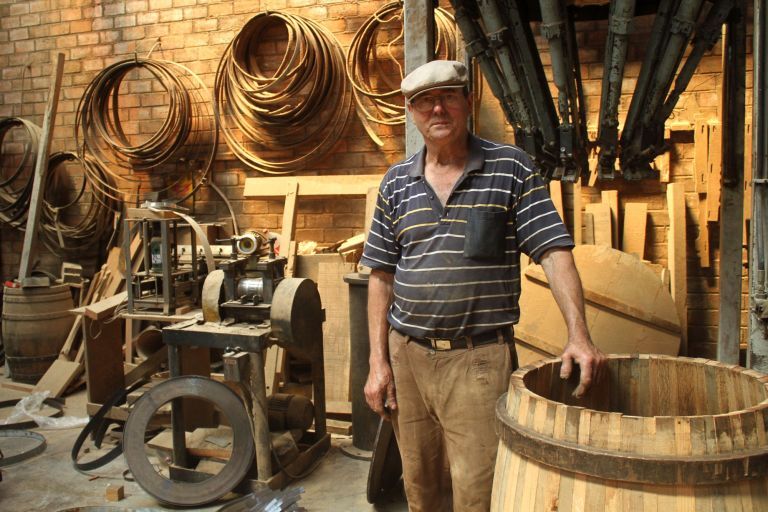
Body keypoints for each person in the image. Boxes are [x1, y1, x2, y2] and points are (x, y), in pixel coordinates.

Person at [360, 60, 606, 511]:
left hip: (477, 360)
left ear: (467, 102)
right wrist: (378, 362)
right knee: (420, 488)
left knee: (478, 492)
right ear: (410, 112)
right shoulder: (396, 183)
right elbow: (380, 275)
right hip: (407, 359)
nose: (437, 109)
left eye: (448, 96)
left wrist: (579, 335)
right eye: (423, 102)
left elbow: (552, 250)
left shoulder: (510, 168)